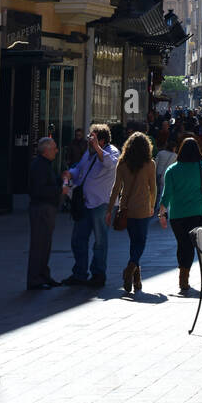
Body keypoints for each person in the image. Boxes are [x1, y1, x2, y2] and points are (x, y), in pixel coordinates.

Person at [62, 124, 120, 289]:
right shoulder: (89, 152)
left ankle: (98, 274)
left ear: (101, 140)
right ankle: (79, 273)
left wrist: (96, 147)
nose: (89, 141)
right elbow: (79, 168)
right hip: (86, 202)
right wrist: (70, 173)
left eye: (93, 138)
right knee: (78, 239)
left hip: (102, 204)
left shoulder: (112, 151)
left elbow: (110, 164)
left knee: (100, 241)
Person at [158, 137, 202, 293]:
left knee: (183, 245)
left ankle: (183, 278)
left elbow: (166, 194)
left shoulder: (172, 169)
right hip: (197, 213)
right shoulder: (201, 167)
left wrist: (162, 214)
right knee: (201, 246)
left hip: (177, 215)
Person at [106, 132, 157, 293]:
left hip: (126, 208)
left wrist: (109, 209)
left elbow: (116, 188)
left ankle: (136, 278)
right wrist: (152, 205)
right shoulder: (150, 164)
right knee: (140, 242)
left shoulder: (122, 163)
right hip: (142, 207)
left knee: (134, 241)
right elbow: (153, 187)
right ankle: (130, 269)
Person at [27, 137, 62, 290]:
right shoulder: (39, 166)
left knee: (45, 244)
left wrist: (61, 180)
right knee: (39, 245)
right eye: (54, 148)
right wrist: (61, 190)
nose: (56, 150)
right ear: (46, 150)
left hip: (46, 209)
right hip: (41, 209)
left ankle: (43, 275)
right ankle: (35, 279)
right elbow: (39, 190)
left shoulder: (45, 164)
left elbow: (49, 184)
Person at [154, 138, 177, 214]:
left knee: (157, 192)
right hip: (167, 176)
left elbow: (155, 164)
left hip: (158, 175)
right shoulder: (175, 156)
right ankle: (163, 209)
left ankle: (157, 207)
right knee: (164, 193)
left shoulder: (160, 153)